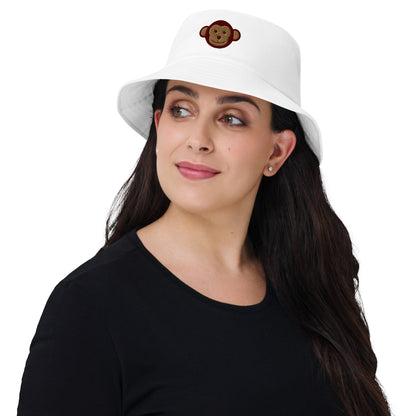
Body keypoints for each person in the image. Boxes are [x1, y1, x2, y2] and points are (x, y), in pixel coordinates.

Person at [17, 9, 391, 416]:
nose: (198, 139)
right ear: (158, 124)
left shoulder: (316, 289)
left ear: (277, 150)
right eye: (181, 109)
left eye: (231, 118)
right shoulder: (89, 308)